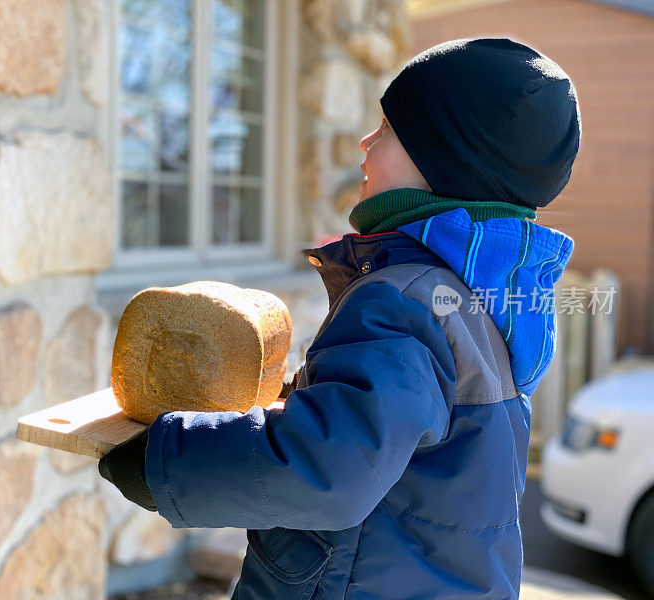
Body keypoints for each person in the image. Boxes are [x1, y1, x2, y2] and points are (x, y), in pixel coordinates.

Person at [99, 37, 581, 600]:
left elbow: (332, 466)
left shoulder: (401, 301)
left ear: (443, 157)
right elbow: (394, 428)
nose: (365, 142)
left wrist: (166, 463)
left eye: (388, 129)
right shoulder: (481, 295)